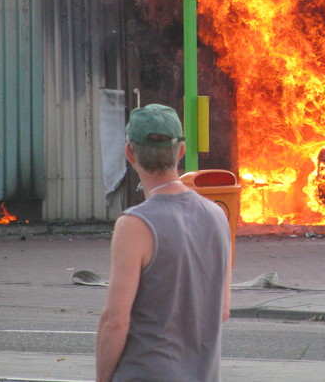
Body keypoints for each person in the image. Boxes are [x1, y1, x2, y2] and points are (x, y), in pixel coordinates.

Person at [96, 104, 232, 382]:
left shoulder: (134, 225)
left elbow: (116, 321)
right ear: (180, 151)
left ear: (129, 153)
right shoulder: (218, 215)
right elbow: (222, 310)